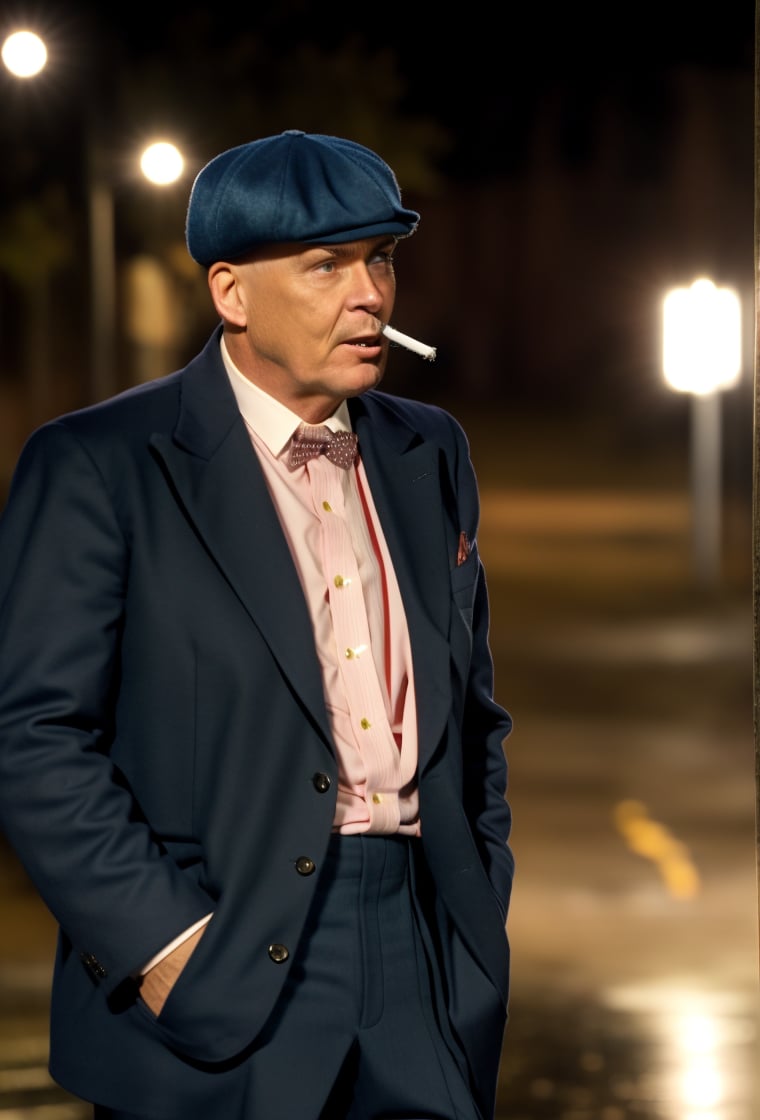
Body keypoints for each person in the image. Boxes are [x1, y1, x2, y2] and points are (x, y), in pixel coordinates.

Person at [0, 129, 514, 1120]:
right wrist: (162, 947)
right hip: (220, 973)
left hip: (421, 966)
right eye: (326, 264)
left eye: (381, 258)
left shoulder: (431, 453)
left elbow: (476, 719)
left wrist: (472, 916)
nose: (368, 293)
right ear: (231, 293)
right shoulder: (100, 465)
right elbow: (31, 735)